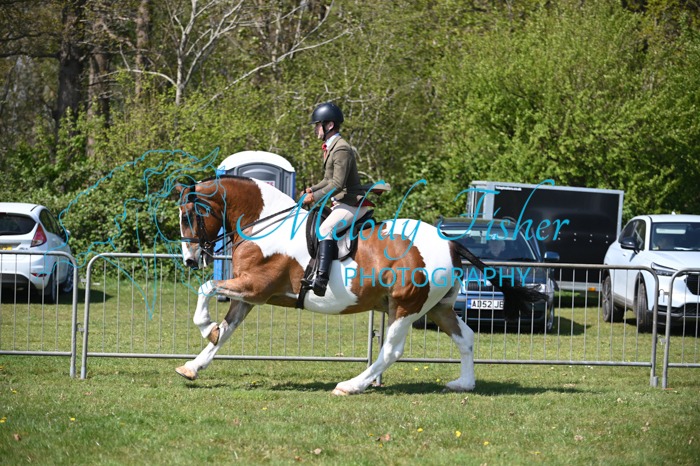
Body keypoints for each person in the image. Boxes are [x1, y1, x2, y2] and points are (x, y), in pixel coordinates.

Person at [300, 102, 368, 296]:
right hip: (342, 202)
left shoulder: (341, 149)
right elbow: (327, 180)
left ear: (329, 125)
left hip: (353, 203)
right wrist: (311, 189)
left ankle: (321, 280)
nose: (315, 129)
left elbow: (337, 184)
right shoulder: (332, 147)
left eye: (317, 125)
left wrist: (314, 197)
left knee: (325, 230)